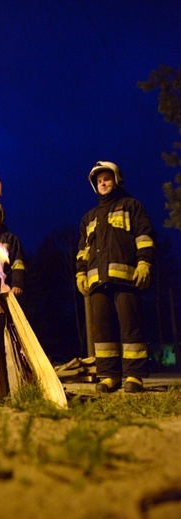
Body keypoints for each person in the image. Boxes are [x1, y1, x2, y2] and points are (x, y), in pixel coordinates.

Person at [76, 161, 154, 393]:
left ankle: (134, 376)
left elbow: (144, 237)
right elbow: (83, 250)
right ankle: (109, 376)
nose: (103, 183)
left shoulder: (132, 206)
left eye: (106, 179)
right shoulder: (88, 218)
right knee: (103, 332)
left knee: (131, 328)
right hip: (97, 283)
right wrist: (81, 273)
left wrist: (145, 263)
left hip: (127, 279)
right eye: (99, 181)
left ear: (117, 179)